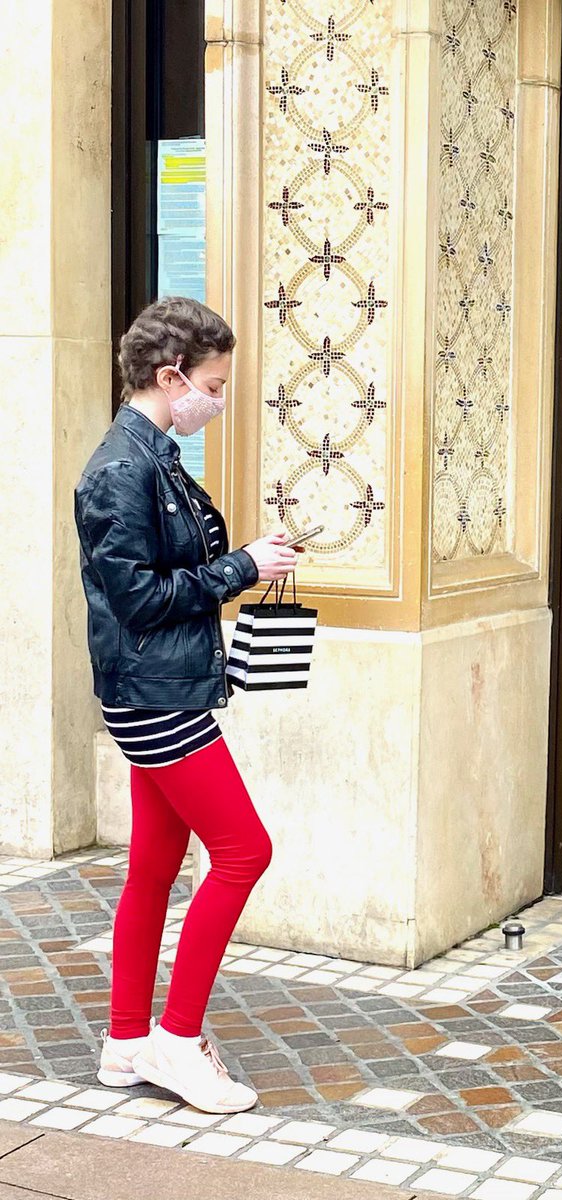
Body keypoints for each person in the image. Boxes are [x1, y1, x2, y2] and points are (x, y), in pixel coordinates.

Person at [74, 297, 300, 1114]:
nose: (218, 397)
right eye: (212, 383)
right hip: (155, 694)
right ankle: (176, 1042)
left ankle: (125, 1044)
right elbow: (137, 600)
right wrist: (242, 567)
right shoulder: (121, 468)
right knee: (244, 851)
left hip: (156, 689)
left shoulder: (149, 453)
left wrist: (246, 560)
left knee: (155, 868)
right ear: (171, 378)